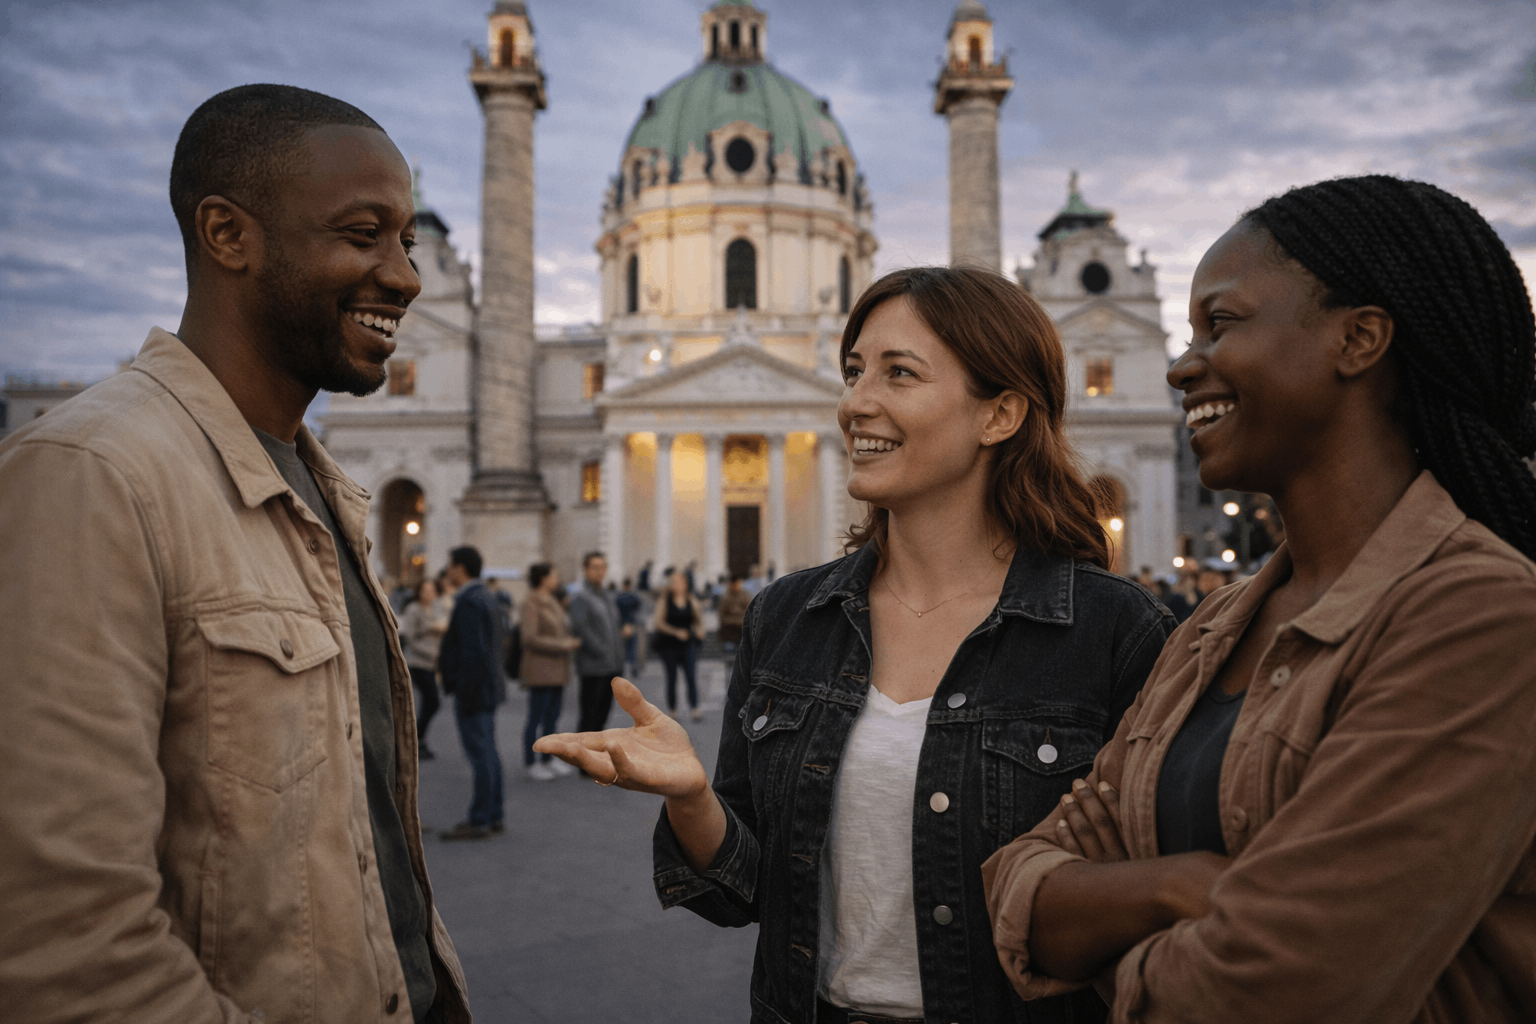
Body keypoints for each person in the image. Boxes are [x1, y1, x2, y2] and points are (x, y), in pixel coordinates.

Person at [536, 266, 1174, 1024]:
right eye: (852, 371)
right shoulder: (786, 617)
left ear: (1000, 413)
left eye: (899, 373)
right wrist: (694, 799)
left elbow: (1154, 909)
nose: (853, 403)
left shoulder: (1114, 631)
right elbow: (742, 894)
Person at [982, 176, 1536, 1022]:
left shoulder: (1480, 619)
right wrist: (1178, 889)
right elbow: (1017, 886)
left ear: (1359, 339)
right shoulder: (1213, 626)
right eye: (1188, 332)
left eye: (1223, 323)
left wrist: (1111, 923)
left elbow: (1273, 989)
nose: (1179, 365)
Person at [0, 84, 467, 1021]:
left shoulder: (318, 486)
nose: (407, 277)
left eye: (409, 243)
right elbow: (66, 947)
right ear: (226, 234)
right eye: (363, 234)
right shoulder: (90, 477)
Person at [438, 544, 508, 839]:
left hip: (475, 689)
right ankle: (494, 814)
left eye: (450, 565)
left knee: (480, 754)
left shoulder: (468, 601)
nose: (447, 571)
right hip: (489, 686)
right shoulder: (486, 596)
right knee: (489, 752)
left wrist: (461, 687)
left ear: (460, 568)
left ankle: (480, 818)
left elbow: (472, 651)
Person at [519, 562, 581, 781]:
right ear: (543, 578)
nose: (557, 579)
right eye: (554, 576)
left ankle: (548, 758)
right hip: (540, 669)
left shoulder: (553, 600)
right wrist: (562, 644)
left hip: (557, 669)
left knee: (552, 717)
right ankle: (531, 761)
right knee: (536, 717)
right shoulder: (530, 602)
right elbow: (529, 637)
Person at [569, 551, 627, 735]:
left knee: (602, 717)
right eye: (594, 567)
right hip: (594, 668)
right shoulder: (580, 597)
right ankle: (582, 754)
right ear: (586, 570)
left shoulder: (608, 596)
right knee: (589, 719)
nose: (599, 571)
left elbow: (612, 627)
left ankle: (594, 754)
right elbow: (581, 629)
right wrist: (601, 650)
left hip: (612, 666)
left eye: (602, 567)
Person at [401, 577, 450, 759]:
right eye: (425, 590)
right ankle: (415, 739)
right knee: (432, 701)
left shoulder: (436, 608)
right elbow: (411, 638)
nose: (429, 594)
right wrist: (432, 653)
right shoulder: (413, 609)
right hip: (418, 662)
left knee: (430, 702)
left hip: (433, 662)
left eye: (432, 590)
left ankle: (418, 739)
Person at [651, 568, 705, 722]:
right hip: (669, 646)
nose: (677, 585)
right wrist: (675, 632)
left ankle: (695, 708)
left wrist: (700, 631)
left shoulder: (691, 600)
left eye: (680, 582)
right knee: (671, 678)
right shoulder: (664, 600)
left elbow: (698, 620)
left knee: (691, 677)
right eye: (674, 582)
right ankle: (672, 710)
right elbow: (658, 623)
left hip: (688, 645)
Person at [716, 573, 750, 655]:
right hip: (729, 634)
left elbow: (750, 613)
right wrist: (739, 620)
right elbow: (722, 617)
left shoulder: (746, 596)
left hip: (743, 633)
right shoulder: (724, 597)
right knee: (730, 654)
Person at [615, 577, 642, 674]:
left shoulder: (619, 597)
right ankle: (633, 667)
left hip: (621, 623)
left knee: (622, 646)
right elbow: (638, 607)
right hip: (631, 623)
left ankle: (622, 666)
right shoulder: (633, 596)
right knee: (633, 646)